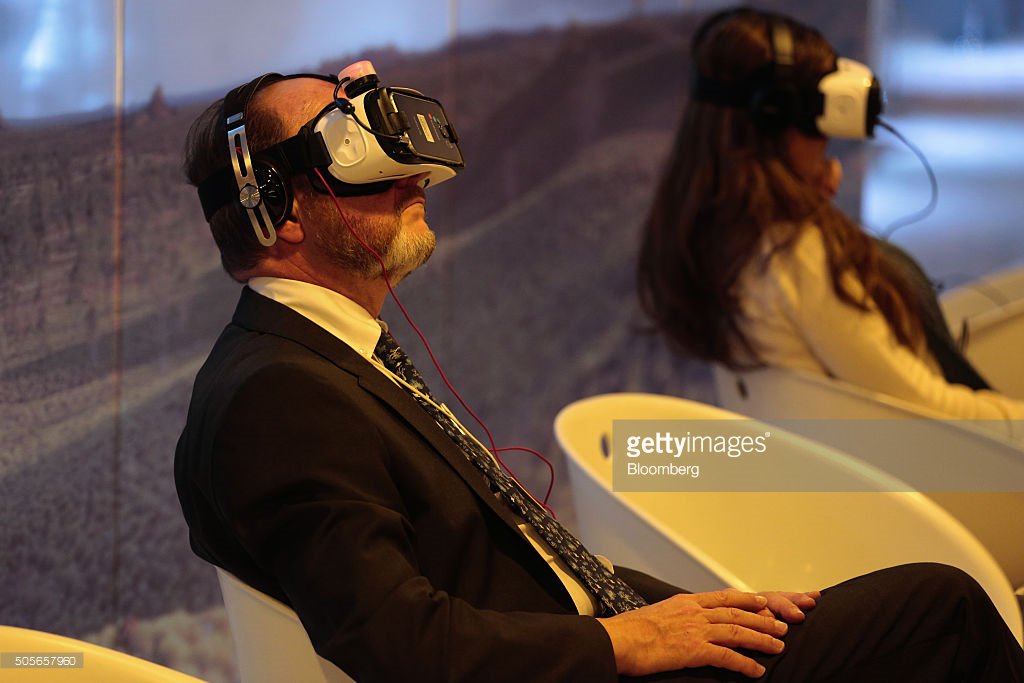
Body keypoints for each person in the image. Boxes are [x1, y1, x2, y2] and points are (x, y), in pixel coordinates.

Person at [174, 58, 1024, 681]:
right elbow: (403, 646)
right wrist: (630, 639)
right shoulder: (276, 397)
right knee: (942, 610)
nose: (413, 171)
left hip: (606, 637)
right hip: (589, 670)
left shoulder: (321, 359)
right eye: (354, 151)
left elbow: (499, 567)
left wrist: (683, 608)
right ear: (277, 211)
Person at [636, 7, 1024, 430]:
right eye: (815, 114)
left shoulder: (718, 236)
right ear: (774, 113)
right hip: (920, 460)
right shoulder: (798, 254)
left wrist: (811, 200)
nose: (826, 136)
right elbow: (927, 408)